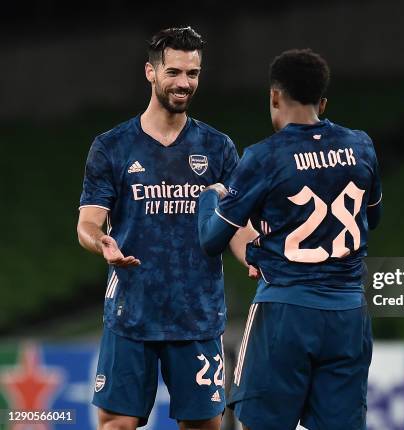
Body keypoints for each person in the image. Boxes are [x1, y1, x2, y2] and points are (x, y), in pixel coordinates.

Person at [77, 26, 255, 430]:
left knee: (204, 427)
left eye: (192, 73)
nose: (184, 83)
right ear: (150, 73)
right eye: (174, 72)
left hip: (197, 315)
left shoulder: (218, 147)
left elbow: (236, 225)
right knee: (115, 424)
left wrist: (253, 255)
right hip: (131, 311)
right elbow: (88, 221)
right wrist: (100, 242)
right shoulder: (112, 146)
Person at [197, 49, 382, 430]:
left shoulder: (264, 157)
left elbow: (211, 239)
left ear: (274, 97)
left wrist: (210, 197)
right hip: (348, 313)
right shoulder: (361, 145)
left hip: (285, 311)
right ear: (323, 102)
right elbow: (372, 217)